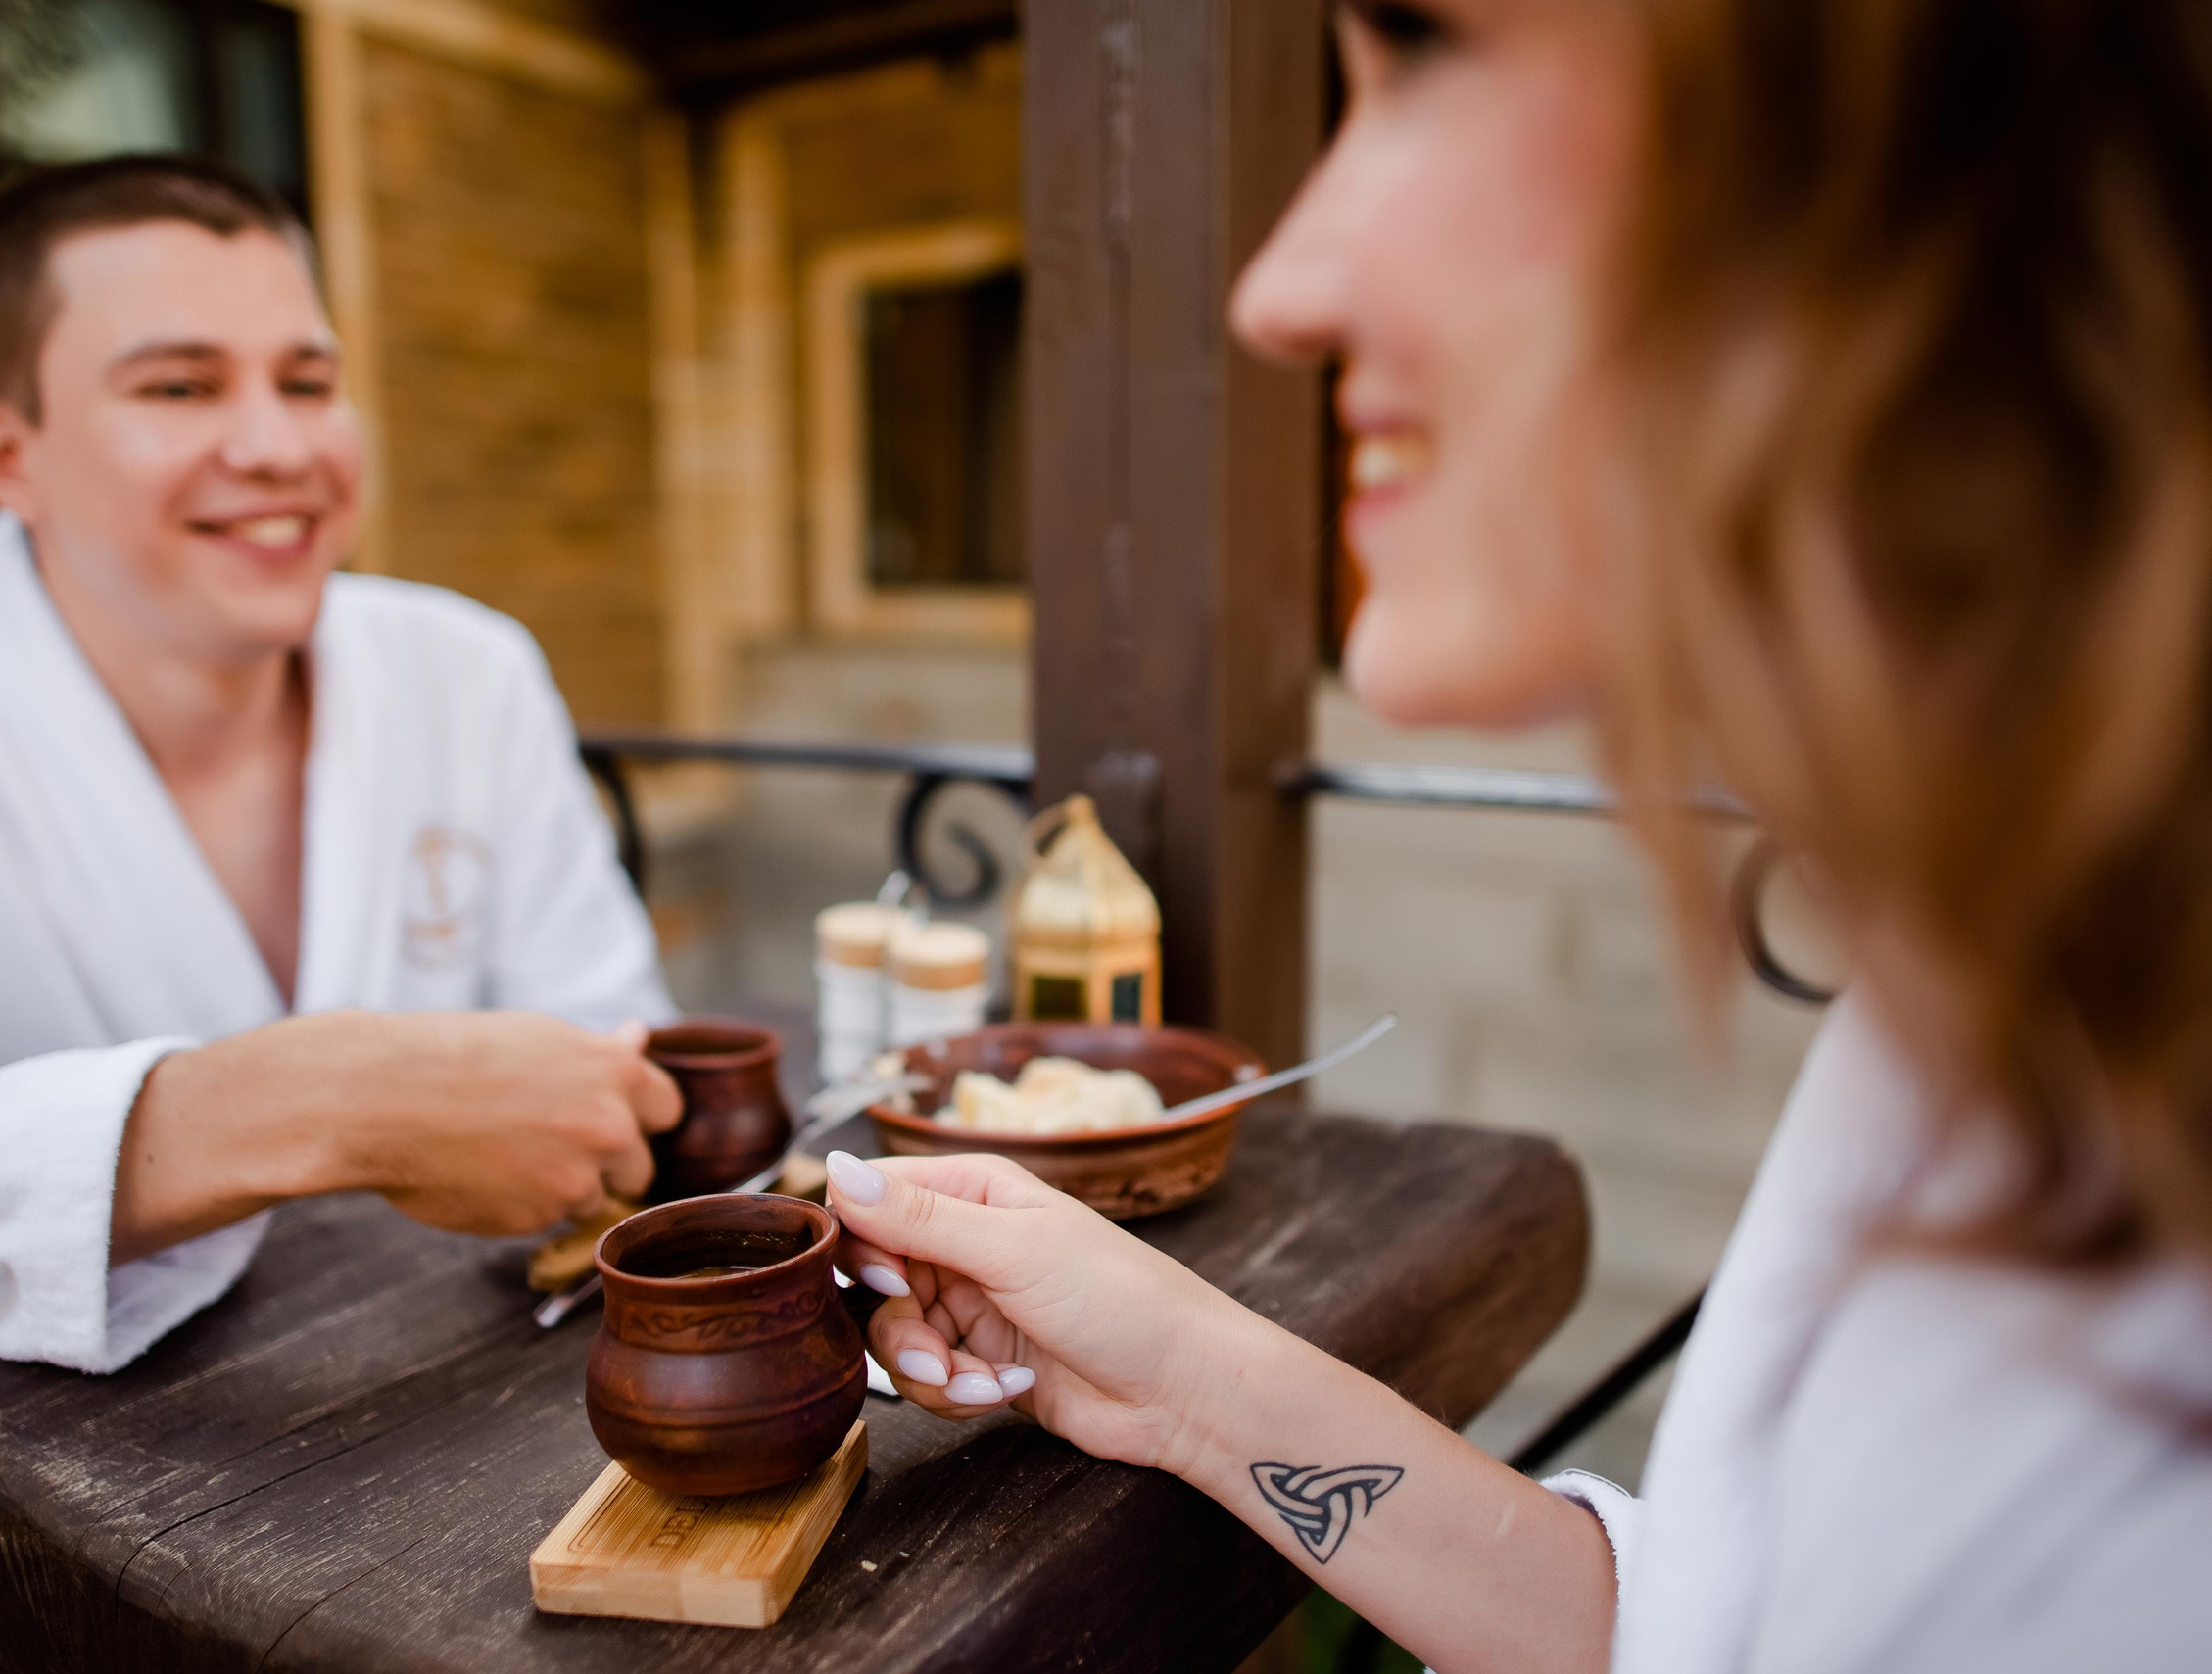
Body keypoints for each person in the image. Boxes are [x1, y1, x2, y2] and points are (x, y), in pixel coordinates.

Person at [825, 1, 2212, 1668]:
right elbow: (1687, 1638)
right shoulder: (2023, 1009)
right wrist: (1170, 1369)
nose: (1275, 295)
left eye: (1423, 48)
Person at [0, 156, 683, 1669]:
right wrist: (291, 1103)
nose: (277, 444)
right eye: (179, 385)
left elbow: (611, 1042)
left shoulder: (463, 669)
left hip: (473, 1527)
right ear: (2, 450)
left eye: (309, 379)